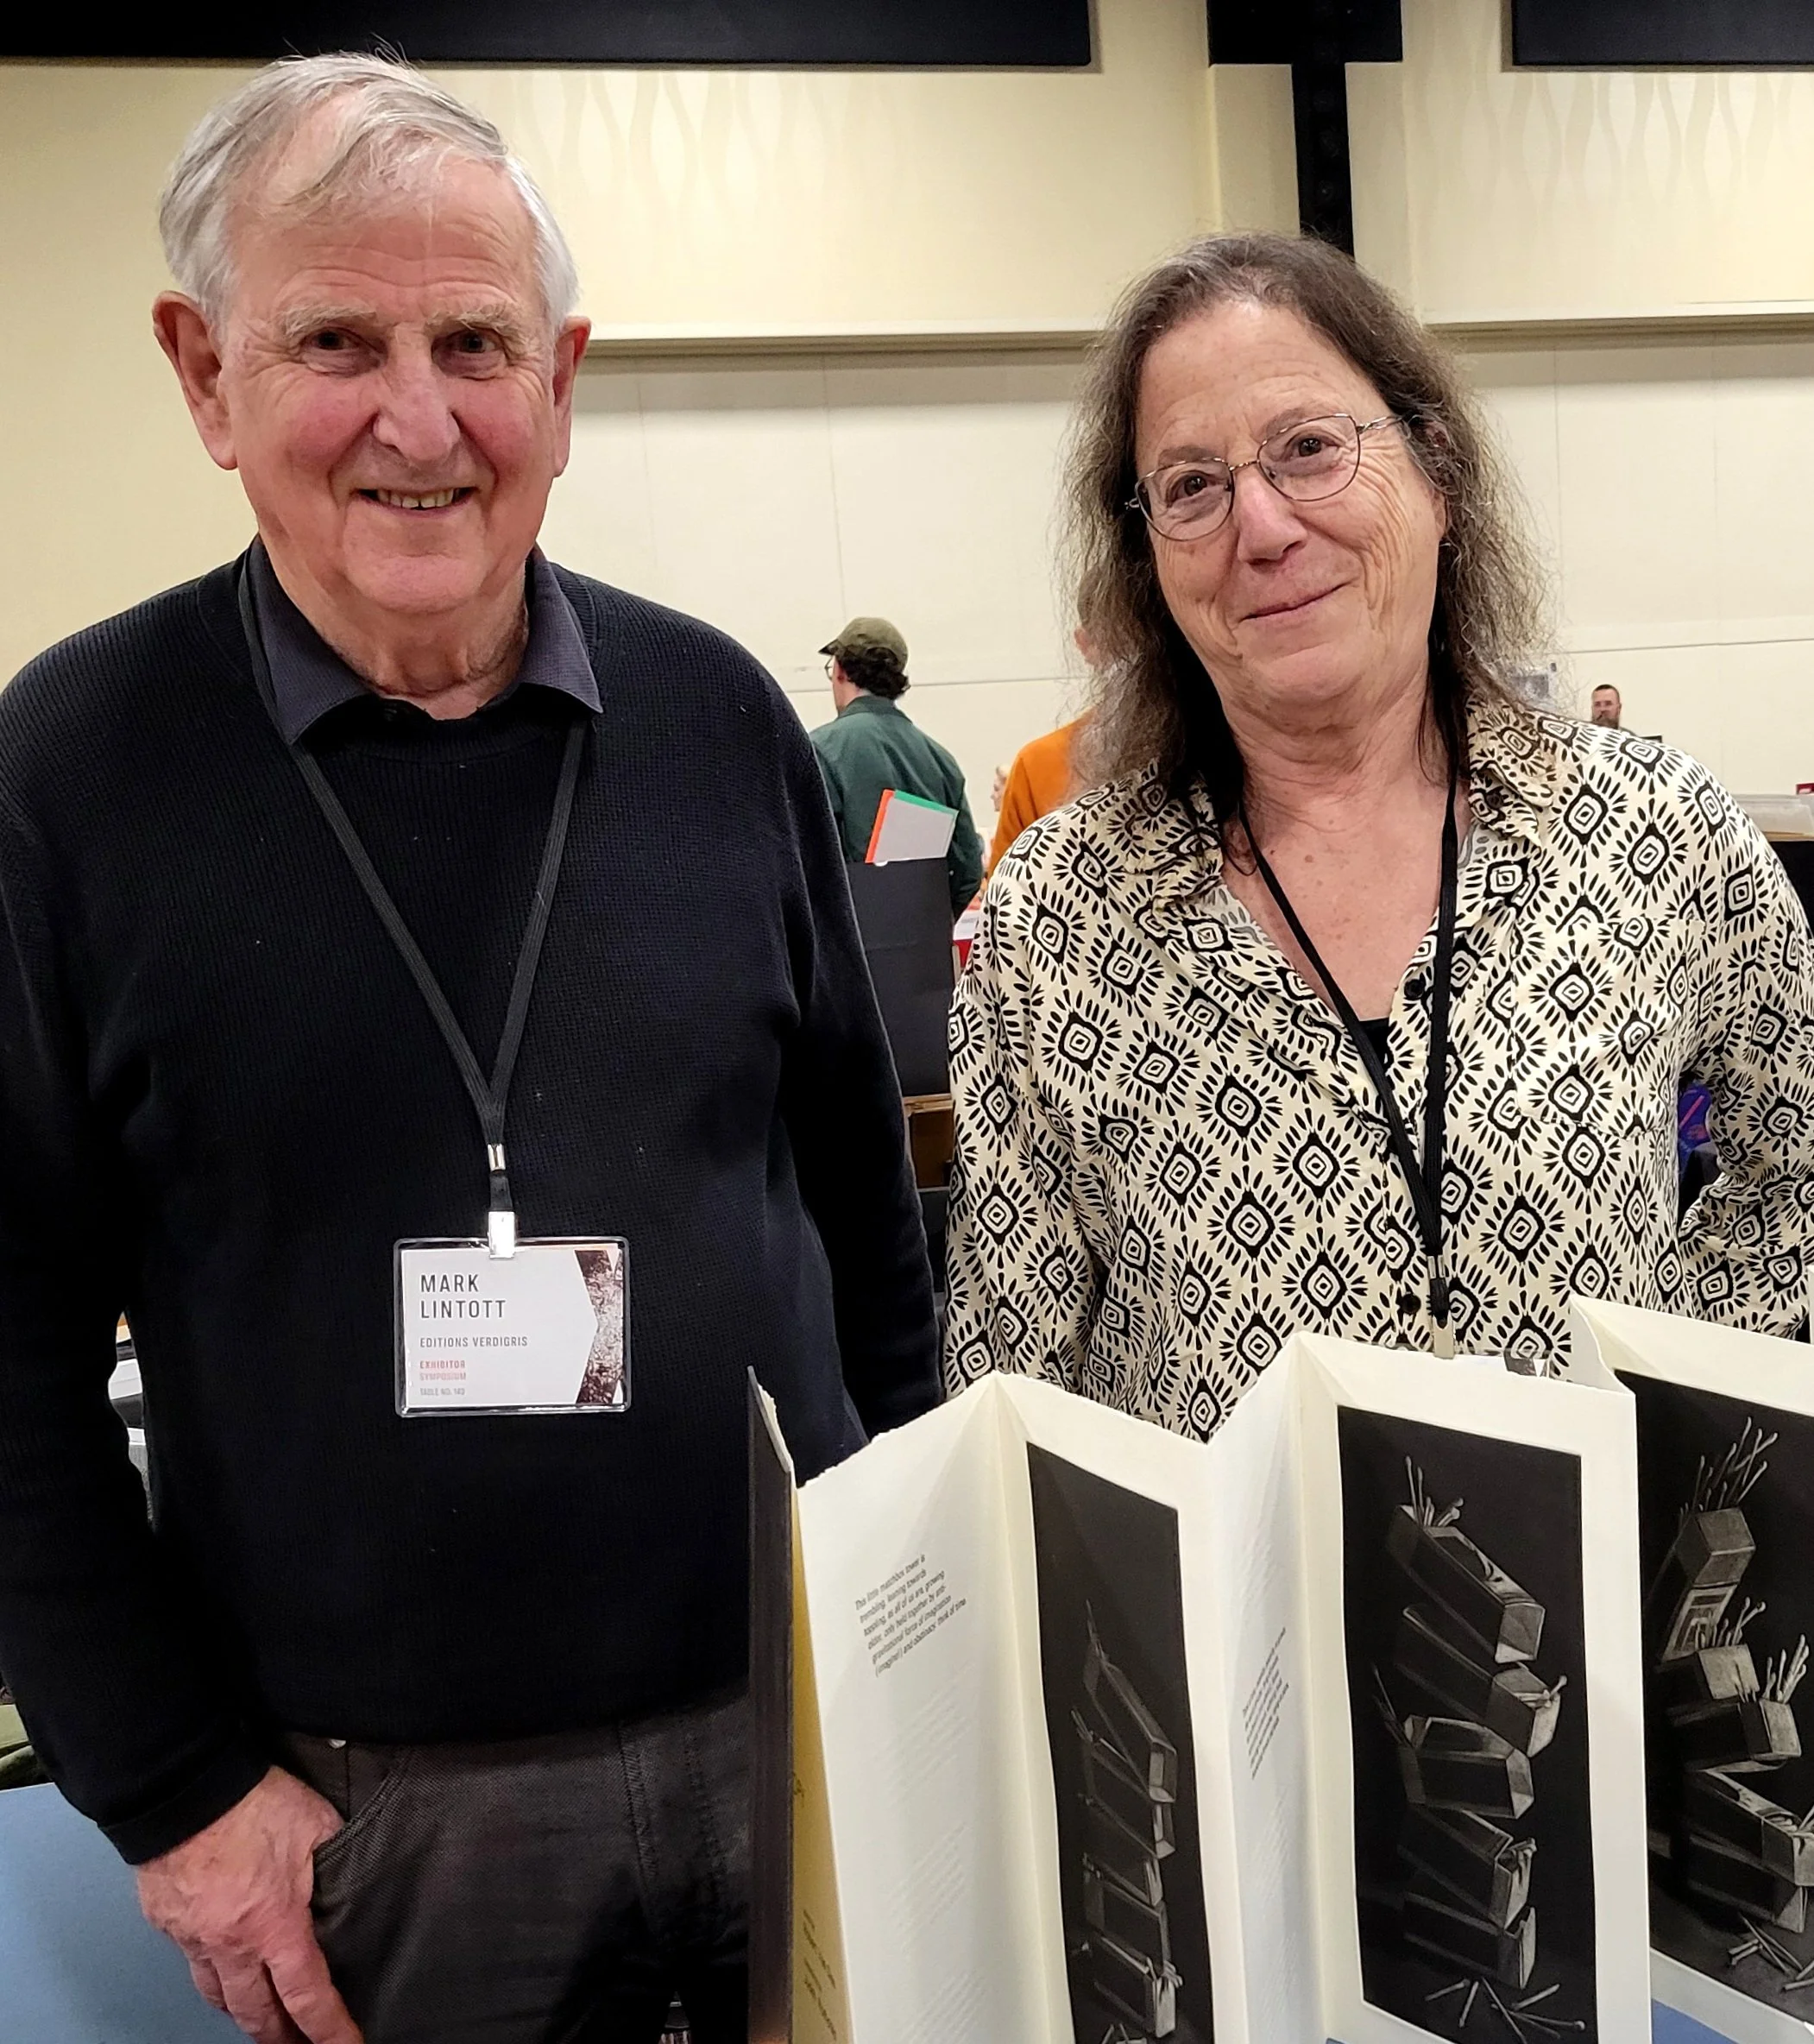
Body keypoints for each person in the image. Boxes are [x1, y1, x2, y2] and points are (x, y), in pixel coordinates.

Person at [0, 54, 938, 2044]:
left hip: (798, 1740)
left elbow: (866, 1210)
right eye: (334, 338)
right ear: (203, 373)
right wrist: (170, 1789)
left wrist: (907, 1632)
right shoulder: (69, 778)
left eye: (474, 343)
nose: (416, 420)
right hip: (375, 1813)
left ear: (563, 378)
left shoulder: (717, 723)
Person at [945, 232, 1814, 1429]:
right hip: (1227, 1620)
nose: (1259, 525)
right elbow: (1006, 1378)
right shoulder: (1055, 920)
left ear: (1434, 473)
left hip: (1589, 1610)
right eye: (1191, 486)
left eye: (1307, 449)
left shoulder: (1654, 834)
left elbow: (1796, 1161)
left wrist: (1677, 1427)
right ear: (1149, 560)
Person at [810, 616, 984, 913]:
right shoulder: (941, 761)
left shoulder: (820, 750)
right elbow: (967, 871)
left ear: (839, 670)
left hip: (854, 946)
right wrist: (926, 924)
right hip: (923, 947)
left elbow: (811, 863)